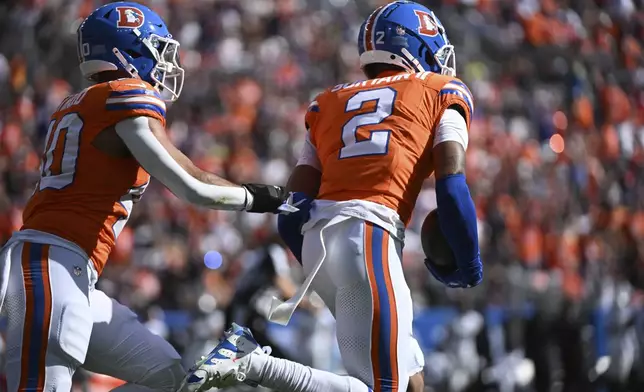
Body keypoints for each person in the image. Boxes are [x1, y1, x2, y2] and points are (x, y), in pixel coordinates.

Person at [182, 1, 483, 392]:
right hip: (370, 235)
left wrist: (319, 266)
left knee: (411, 383)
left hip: (317, 240)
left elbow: (292, 210)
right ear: (417, 46)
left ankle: (252, 362)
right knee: (382, 389)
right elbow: (452, 186)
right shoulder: (441, 91)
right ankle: (252, 363)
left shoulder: (328, 102)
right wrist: (469, 263)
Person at [0, 2, 287, 391]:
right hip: (47, 266)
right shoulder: (123, 96)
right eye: (157, 50)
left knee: (168, 377)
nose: (164, 63)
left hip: (72, 273)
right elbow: (193, 185)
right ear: (125, 51)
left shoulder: (86, 104)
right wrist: (272, 199)